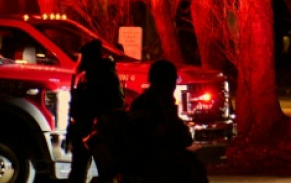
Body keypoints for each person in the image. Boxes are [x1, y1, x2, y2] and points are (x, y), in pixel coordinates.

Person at [126, 59, 207, 183]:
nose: (174, 85)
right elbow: (163, 136)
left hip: (157, 162)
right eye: (173, 81)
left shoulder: (160, 103)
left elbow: (183, 136)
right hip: (153, 165)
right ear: (166, 82)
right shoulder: (151, 105)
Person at [68, 39, 125, 183]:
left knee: (82, 171)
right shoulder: (105, 72)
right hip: (97, 130)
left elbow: (88, 104)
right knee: (105, 172)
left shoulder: (96, 75)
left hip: (95, 131)